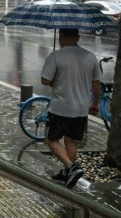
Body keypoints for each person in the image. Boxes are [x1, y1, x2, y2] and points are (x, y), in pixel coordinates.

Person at [40, 28, 101, 188]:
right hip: (81, 108)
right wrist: (95, 103)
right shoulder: (90, 56)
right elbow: (96, 83)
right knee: (70, 140)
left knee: (51, 140)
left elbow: (45, 80)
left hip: (61, 108)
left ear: (61, 36)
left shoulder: (56, 56)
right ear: (78, 37)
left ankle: (71, 167)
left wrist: (56, 78)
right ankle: (68, 173)